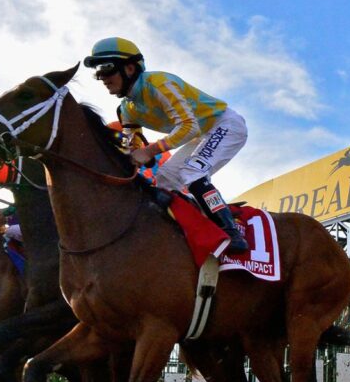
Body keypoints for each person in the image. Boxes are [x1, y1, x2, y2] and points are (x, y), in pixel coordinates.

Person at [84, 37, 248, 251]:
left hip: (225, 124)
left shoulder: (159, 84)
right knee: (164, 181)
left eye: (106, 69)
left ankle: (231, 233)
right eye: (97, 72)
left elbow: (189, 127)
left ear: (130, 68)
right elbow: (131, 147)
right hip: (201, 134)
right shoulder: (126, 109)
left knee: (193, 172)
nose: (102, 78)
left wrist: (150, 150)